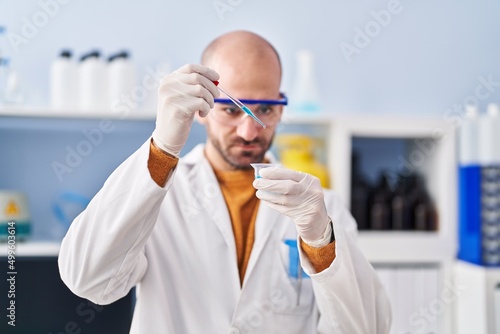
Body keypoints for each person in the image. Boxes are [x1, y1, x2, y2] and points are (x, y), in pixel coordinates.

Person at [58, 30, 392, 333]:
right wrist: (162, 148)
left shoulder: (321, 209)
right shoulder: (159, 193)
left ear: (282, 106)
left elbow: (365, 329)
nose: (249, 131)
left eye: (266, 108)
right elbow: (88, 280)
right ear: (201, 106)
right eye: (233, 110)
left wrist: (320, 241)